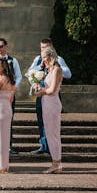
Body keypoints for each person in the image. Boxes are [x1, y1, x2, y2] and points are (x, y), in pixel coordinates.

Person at [27, 38, 72, 155]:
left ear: (51, 47)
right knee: (41, 120)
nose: (44, 50)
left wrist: (54, 67)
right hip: (41, 94)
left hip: (51, 95)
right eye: (42, 47)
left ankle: (52, 149)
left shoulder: (58, 60)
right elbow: (29, 73)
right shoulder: (38, 59)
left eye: (46, 47)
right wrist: (39, 69)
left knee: (52, 124)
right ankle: (44, 145)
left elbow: (68, 74)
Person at [33, 46, 64, 174]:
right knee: (49, 133)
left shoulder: (56, 69)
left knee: (53, 133)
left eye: (45, 58)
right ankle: (55, 162)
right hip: (46, 102)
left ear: (51, 56)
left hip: (52, 103)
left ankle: (56, 163)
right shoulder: (49, 70)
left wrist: (41, 92)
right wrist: (37, 84)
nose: (43, 60)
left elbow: (52, 90)